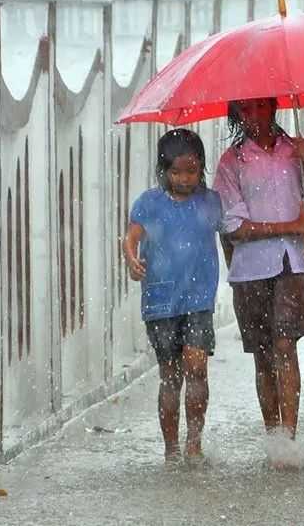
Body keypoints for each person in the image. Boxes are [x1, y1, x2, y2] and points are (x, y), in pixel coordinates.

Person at [213, 97, 304, 458]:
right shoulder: (232, 162)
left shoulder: (295, 152)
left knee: (285, 346)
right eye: (245, 110)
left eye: (260, 107)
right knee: (263, 355)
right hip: (249, 269)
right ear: (238, 115)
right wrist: (289, 225)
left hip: (292, 264)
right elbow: (233, 226)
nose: (253, 117)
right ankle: (273, 436)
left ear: (274, 107)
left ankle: (289, 438)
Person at [122, 128, 222, 464]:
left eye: (191, 171)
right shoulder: (149, 203)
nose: (183, 178)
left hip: (198, 298)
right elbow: (131, 237)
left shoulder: (210, 202)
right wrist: (132, 259)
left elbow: (230, 237)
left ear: (202, 168)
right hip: (161, 300)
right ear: (163, 170)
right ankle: (170, 448)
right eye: (176, 172)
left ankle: (194, 441)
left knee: (197, 367)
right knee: (170, 374)